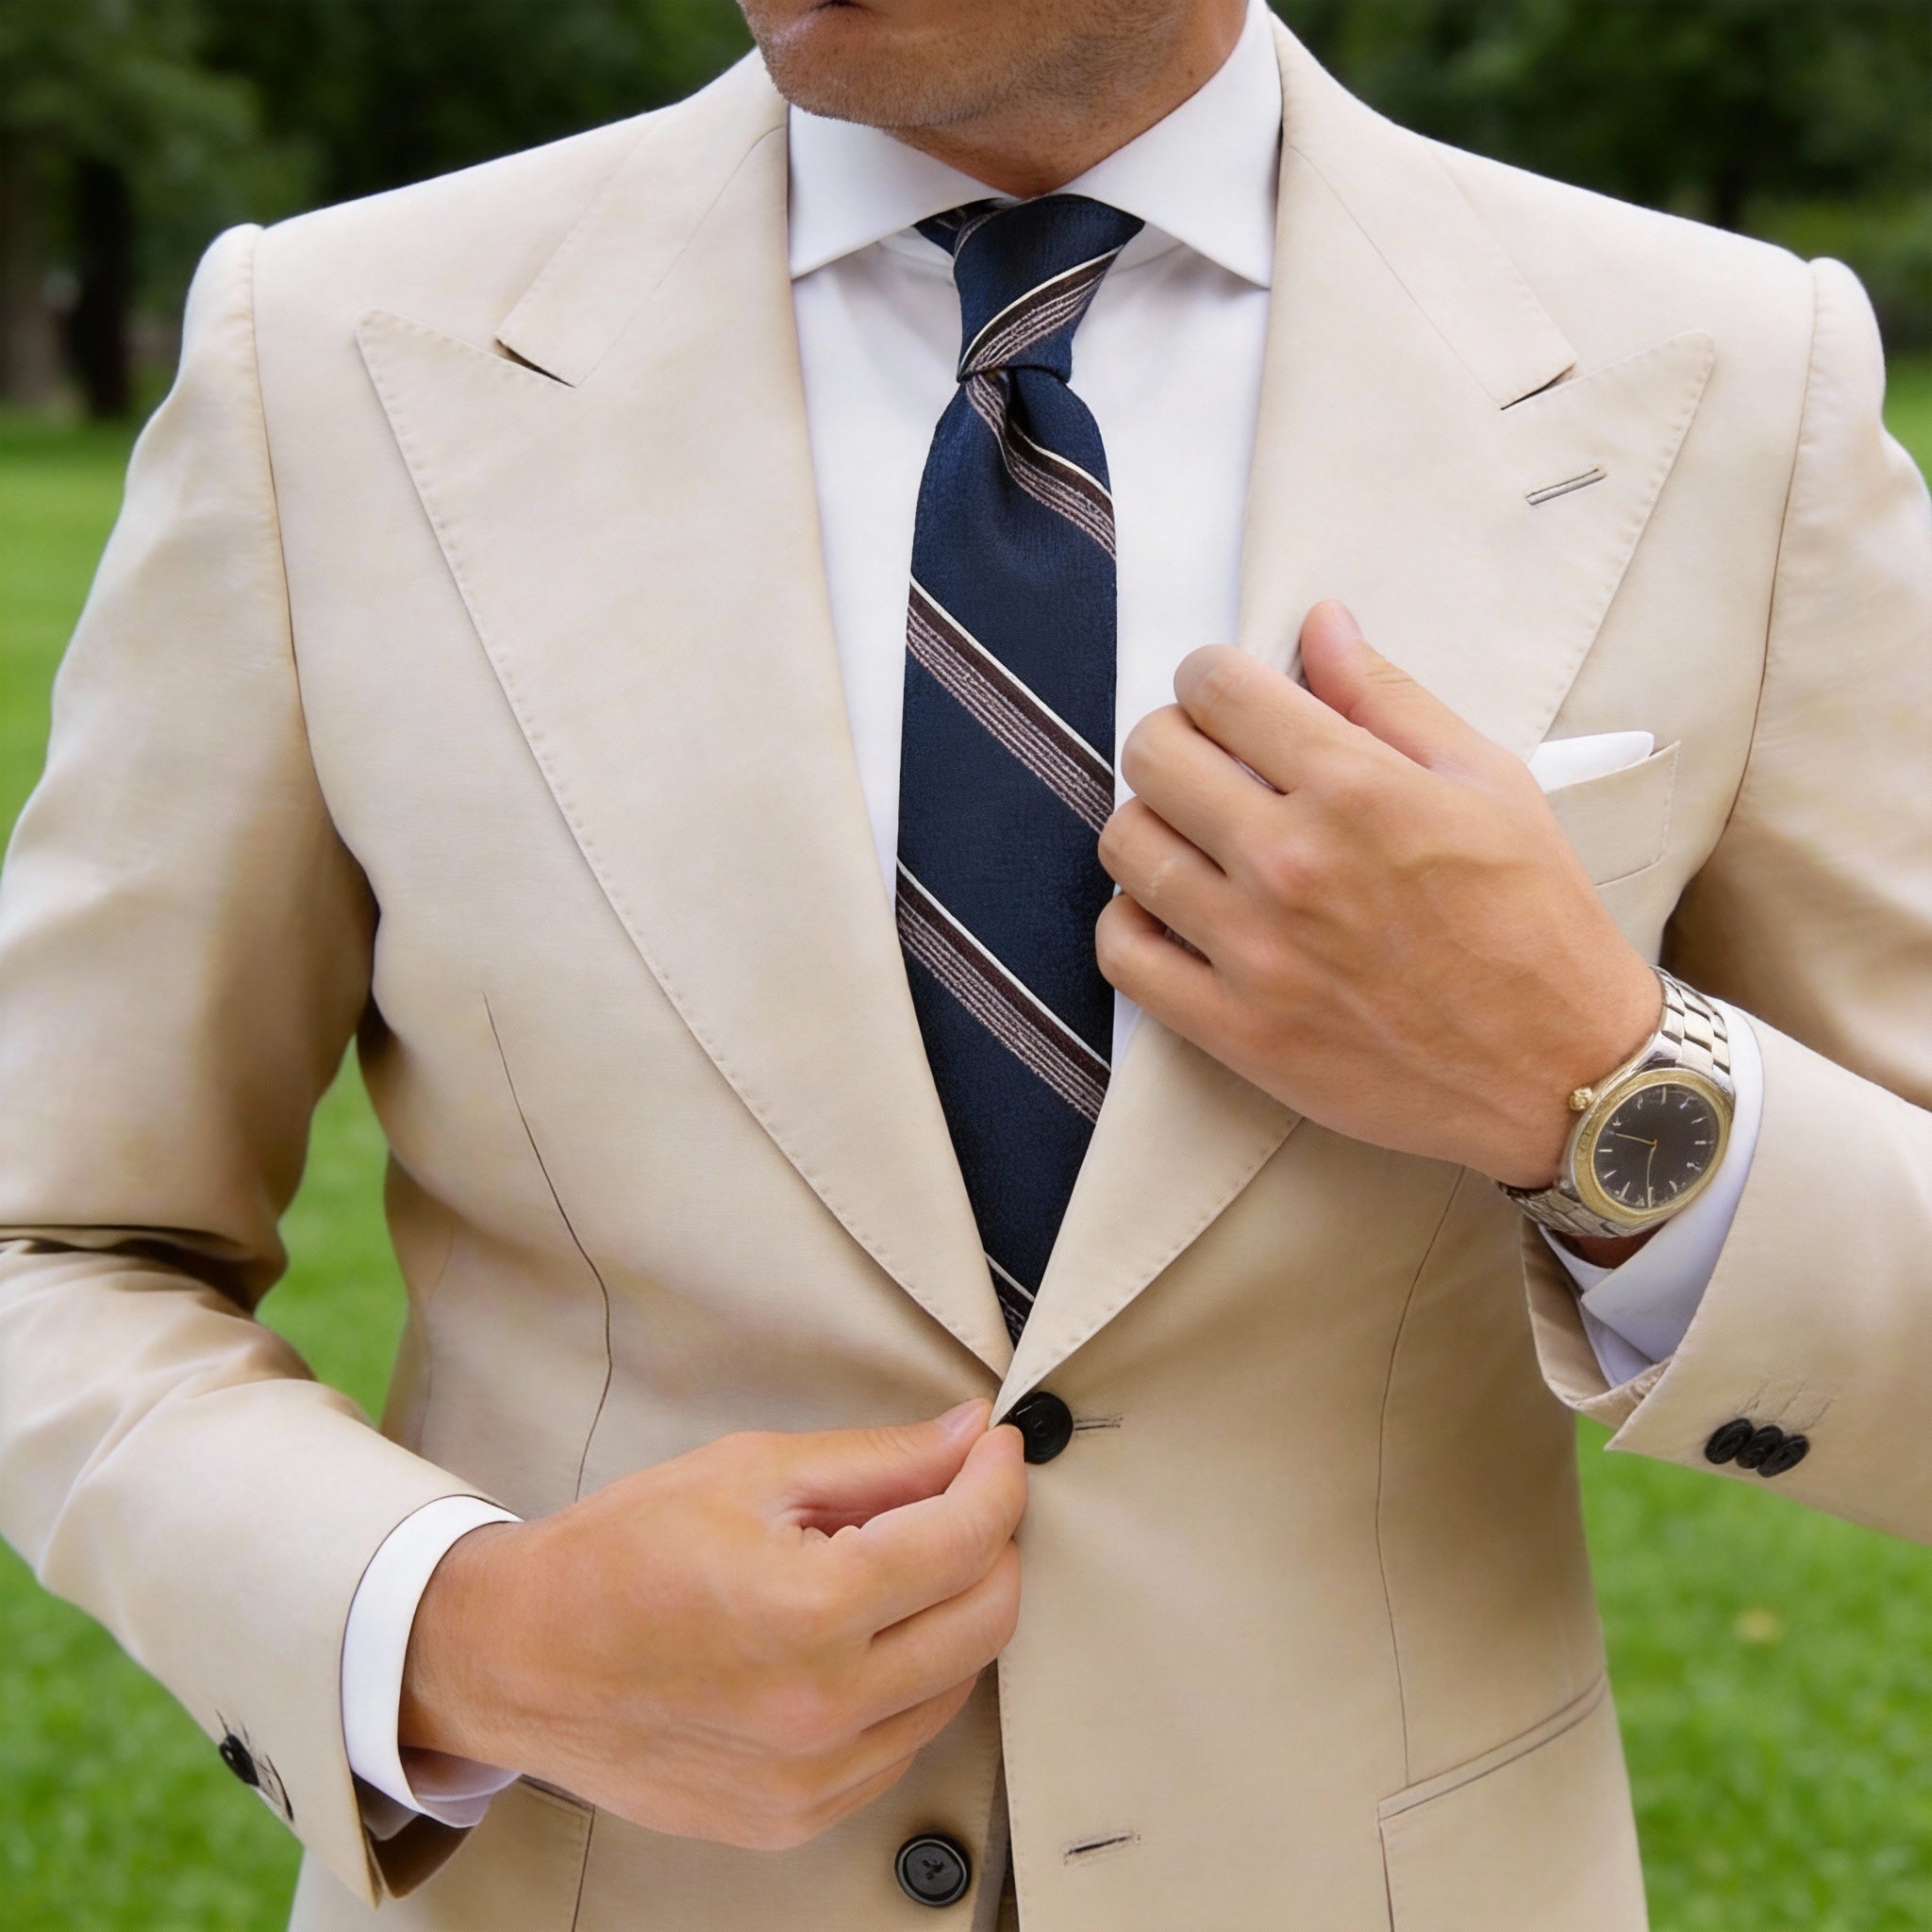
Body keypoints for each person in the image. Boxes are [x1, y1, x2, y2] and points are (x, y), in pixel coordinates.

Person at [1, 0, 1927, 1924]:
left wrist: (1594, 1081)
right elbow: (53, 1240)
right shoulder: (328, 360)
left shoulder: (1730, 384)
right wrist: (460, 1630)